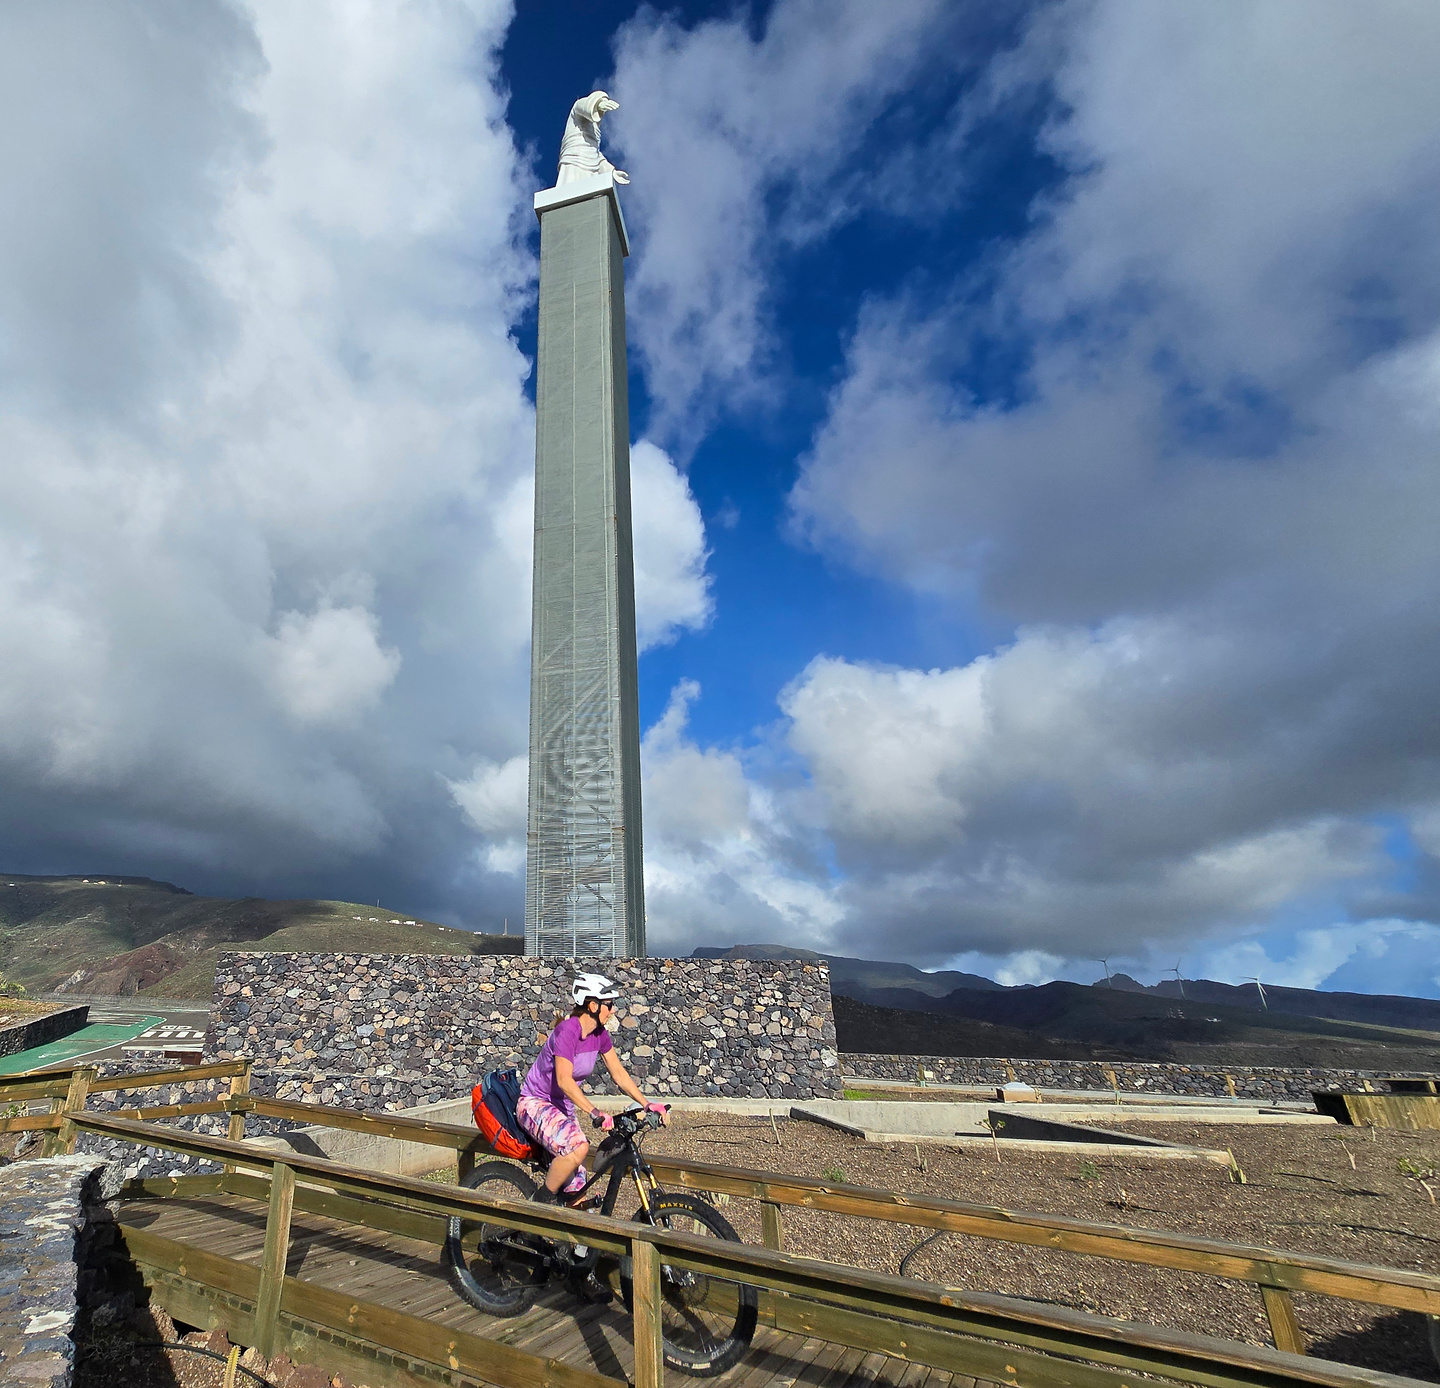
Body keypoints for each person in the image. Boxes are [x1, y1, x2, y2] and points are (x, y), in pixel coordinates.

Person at [516, 971, 668, 1207]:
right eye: (609, 1004)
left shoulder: (599, 1034)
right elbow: (564, 1080)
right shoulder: (568, 1031)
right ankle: (538, 1206)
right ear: (593, 1005)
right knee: (578, 1145)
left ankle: (572, 1242)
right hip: (535, 1103)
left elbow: (618, 1073)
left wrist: (646, 1103)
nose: (613, 1010)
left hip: (562, 1105)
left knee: (578, 1185)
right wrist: (594, 1111)